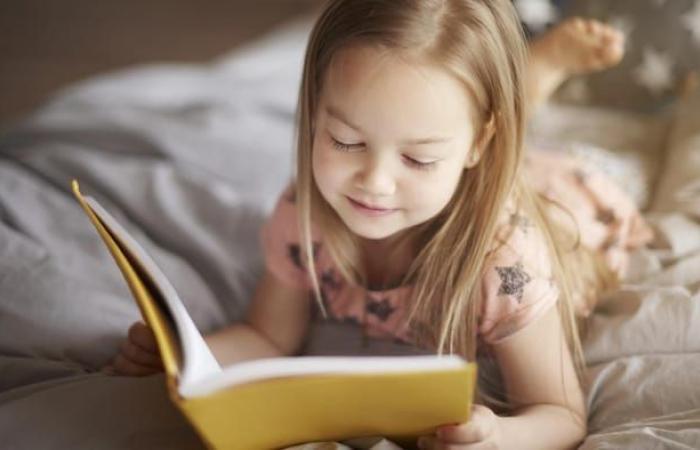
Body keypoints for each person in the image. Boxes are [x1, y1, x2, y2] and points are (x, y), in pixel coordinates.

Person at [106, 2, 655, 448]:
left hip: (572, 199)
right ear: (314, 113)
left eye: (416, 159)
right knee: (473, 142)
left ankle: (534, 82)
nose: (375, 183)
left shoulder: (506, 264)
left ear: (475, 147)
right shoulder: (306, 215)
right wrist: (188, 355)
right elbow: (268, 336)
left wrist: (500, 437)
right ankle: (507, 104)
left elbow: (560, 414)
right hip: (473, 161)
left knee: (542, 163)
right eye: (346, 141)